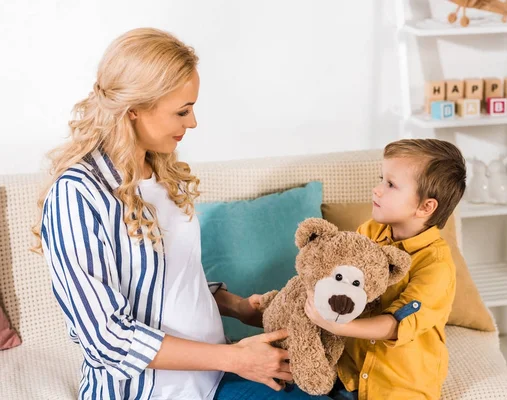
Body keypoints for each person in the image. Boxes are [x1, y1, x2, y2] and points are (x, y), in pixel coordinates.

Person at [33, 27, 330, 400]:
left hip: (215, 375)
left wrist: (238, 307)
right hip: (155, 392)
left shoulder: (158, 170)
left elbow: (162, 283)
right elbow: (107, 338)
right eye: (182, 111)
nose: (192, 123)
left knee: (337, 387)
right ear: (134, 110)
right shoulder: (77, 195)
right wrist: (236, 359)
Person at [305, 139, 466, 399]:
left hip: (398, 388)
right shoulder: (370, 231)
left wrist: (338, 327)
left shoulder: (436, 266)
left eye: (390, 184)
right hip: (348, 377)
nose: (377, 190)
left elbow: (395, 325)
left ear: (426, 207)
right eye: (382, 179)